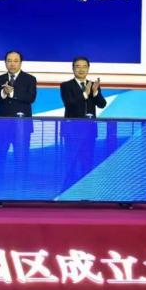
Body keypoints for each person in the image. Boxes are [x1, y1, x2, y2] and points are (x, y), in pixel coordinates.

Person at [0, 50, 37, 184]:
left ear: (20, 63)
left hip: (22, 127)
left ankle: (21, 183)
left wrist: (13, 93)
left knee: (21, 156)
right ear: (5, 63)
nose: (12, 64)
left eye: (15, 61)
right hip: (2, 126)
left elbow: (31, 98)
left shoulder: (30, 79)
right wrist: (3, 92)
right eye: (9, 61)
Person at [59, 56, 106, 190]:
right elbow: (69, 103)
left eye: (84, 66)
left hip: (89, 130)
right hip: (71, 130)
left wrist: (95, 92)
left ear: (88, 68)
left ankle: (87, 188)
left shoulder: (93, 85)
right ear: (73, 69)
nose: (81, 69)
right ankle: (69, 189)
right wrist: (85, 94)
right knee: (71, 161)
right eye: (78, 66)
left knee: (88, 160)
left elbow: (102, 104)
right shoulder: (66, 86)